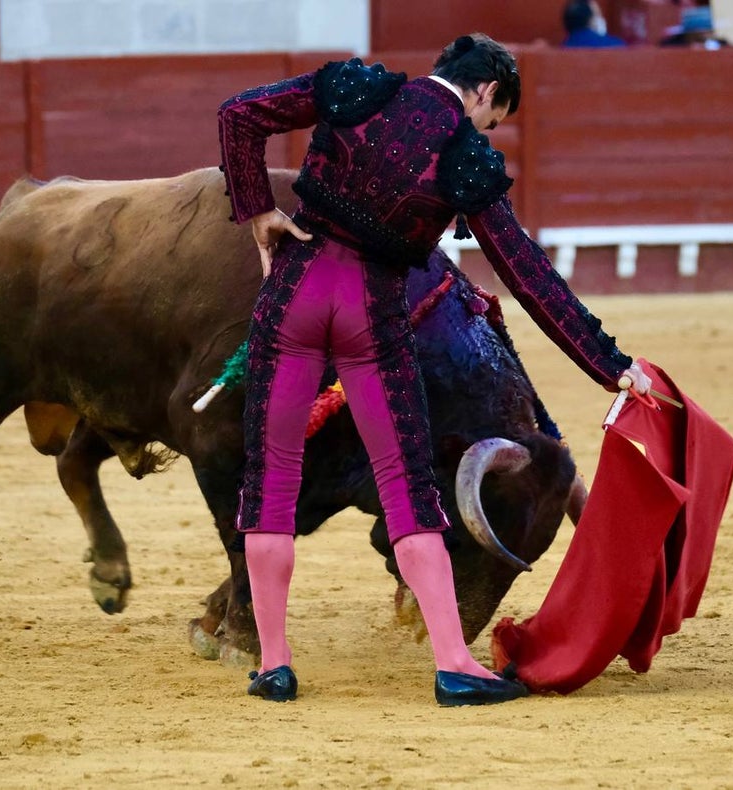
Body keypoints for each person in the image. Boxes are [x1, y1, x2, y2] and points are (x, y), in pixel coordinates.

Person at [217, 32, 651, 707]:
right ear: (486, 92)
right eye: (494, 114)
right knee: (407, 484)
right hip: (372, 315)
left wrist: (258, 212)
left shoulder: (356, 88)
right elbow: (529, 277)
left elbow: (238, 115)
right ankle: (453, 665)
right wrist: (610, 365)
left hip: (294, 295)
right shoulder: (466, 157)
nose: (487, 127)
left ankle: (273, 665)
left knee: (271, 475)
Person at [561, 0, 627, 48]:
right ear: (590, 20)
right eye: (598, 15)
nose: (601, 19)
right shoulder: (615, 45)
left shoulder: (563, 47)